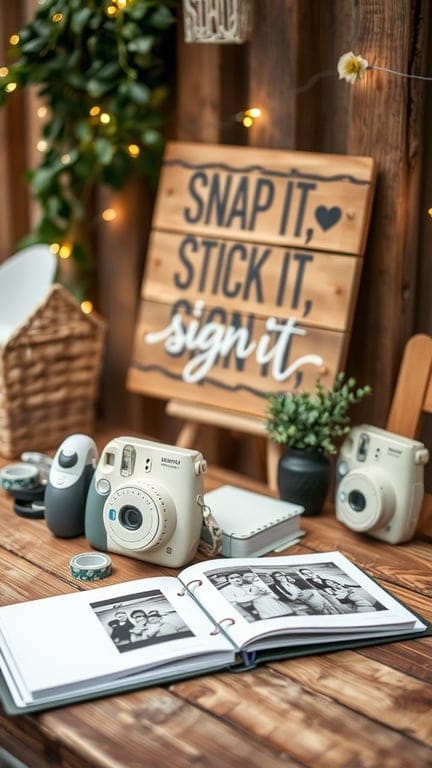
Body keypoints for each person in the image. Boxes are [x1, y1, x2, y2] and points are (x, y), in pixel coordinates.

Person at [269, 572, 345, 615]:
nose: (280, 577)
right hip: (308, 598)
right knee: (324, 612)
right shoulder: (279, 586)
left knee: (331, 607)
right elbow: (291, 598)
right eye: (277, 577)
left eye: (281, 575)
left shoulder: (292, 581)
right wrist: (299, 595)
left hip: (315, 595)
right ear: (275, 578)